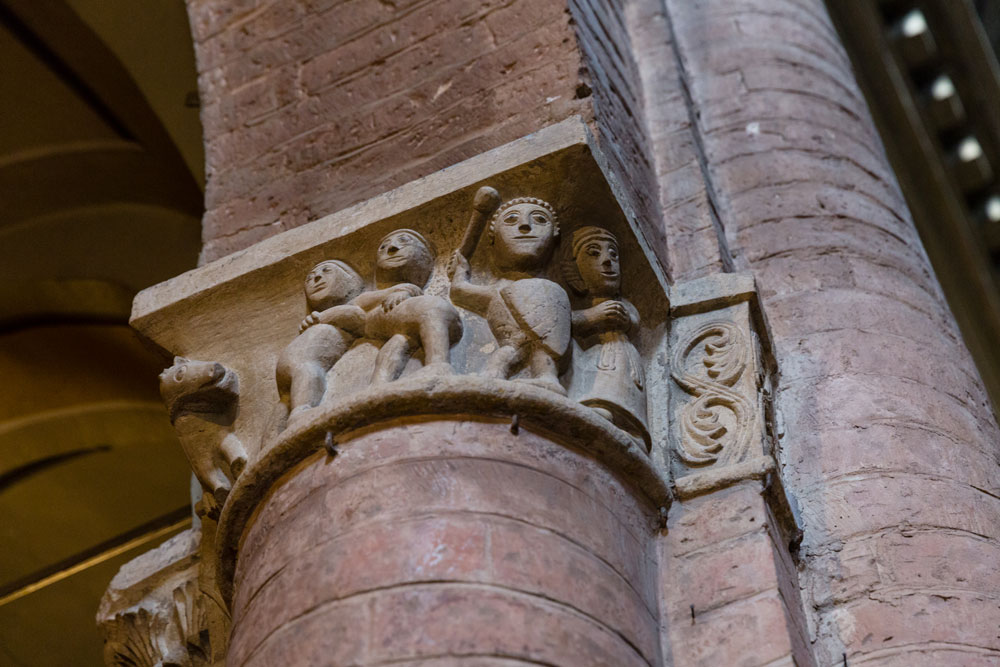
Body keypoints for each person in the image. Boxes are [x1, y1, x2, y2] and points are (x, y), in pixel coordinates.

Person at [450, 197, 570, 394]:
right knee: (503, 357)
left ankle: (547, 377)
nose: (525, 225)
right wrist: (461, 269)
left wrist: (594, 316)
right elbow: (458, 291)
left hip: (541, 343)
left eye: (540, 220)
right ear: (493, 237)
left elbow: (564, 322)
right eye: (511, 219)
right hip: (511, 342)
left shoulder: (551, 290)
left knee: (541, 350)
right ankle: (491, 381)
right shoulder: (499, 288)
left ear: (555, 235)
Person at [564, 226, 649, 445]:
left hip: (620, 350)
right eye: (594, 253)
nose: (607, 261)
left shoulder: (624, 304)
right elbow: (564, 322)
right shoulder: (572, 304)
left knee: (623, 379)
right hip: (593, 354)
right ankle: (598, 408)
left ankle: (632, 428)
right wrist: (592, 316)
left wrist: (626, 319)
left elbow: (634, 321)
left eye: (613, 254)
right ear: (575, 273)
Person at [355, 229, 462, 383]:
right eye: (382, 247)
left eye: (404, 240)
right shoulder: (372, 295)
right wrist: (397, 290)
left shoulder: (415, 294)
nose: (392, 247)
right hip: (374, 321)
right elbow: (357, 305)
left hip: (407, 324)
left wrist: (460, 271)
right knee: (433, 307)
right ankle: (438, 364)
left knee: (400, 342)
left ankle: (378, 385)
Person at [275, 260, 365, 416]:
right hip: (290, 374)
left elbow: (358, 317)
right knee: (282, 408)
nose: (316, 278)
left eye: (327, 270)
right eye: (309, 278)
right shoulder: (313, 318)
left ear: (350, 280)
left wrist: (323, 317)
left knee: (308, 375)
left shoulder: (356, 303)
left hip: (308, 368)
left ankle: (301, 413)